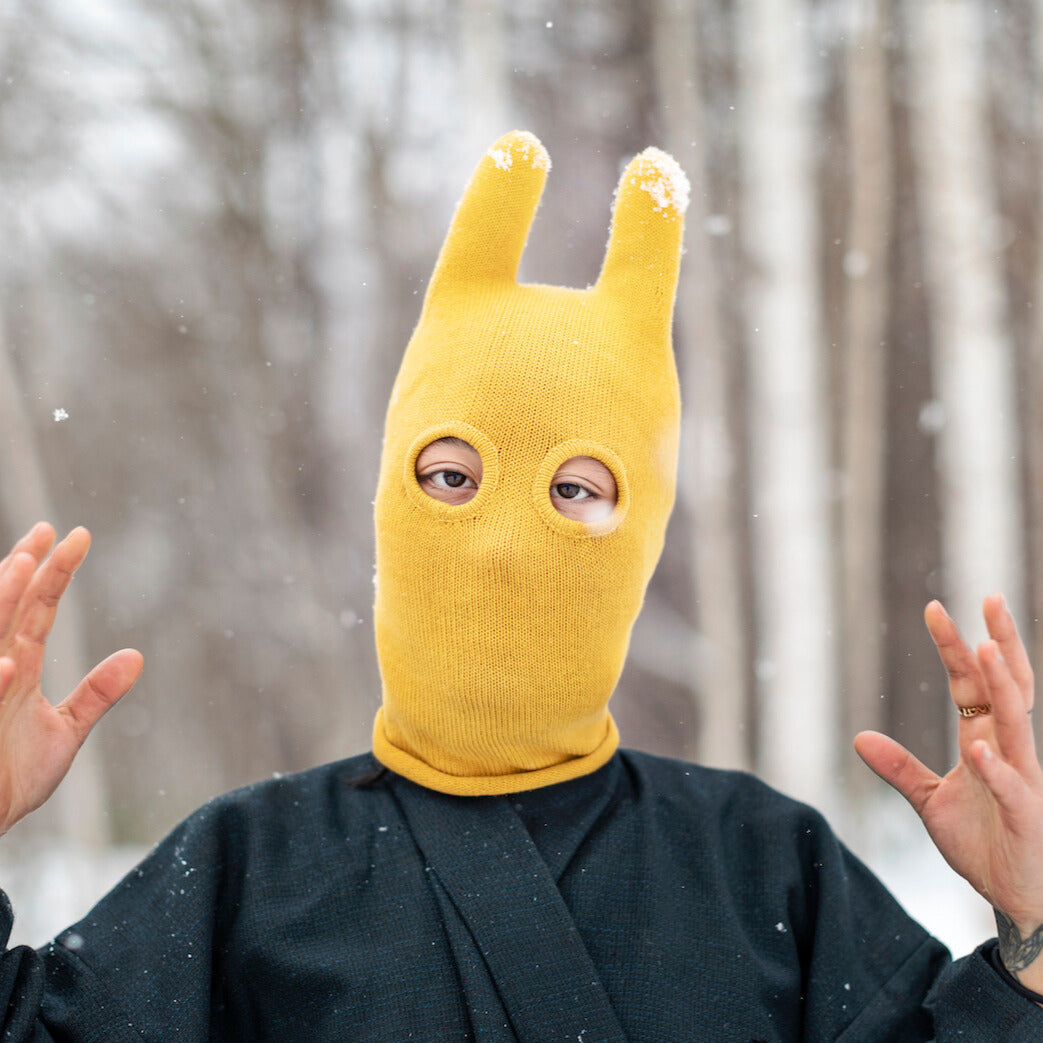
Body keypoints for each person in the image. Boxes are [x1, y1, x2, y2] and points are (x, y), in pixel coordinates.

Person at [0, 130, 1041, 1040]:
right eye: (452, 477)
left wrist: (1030, 938)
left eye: (573, 489)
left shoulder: (763, 861)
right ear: (388, 500)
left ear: (643, 532)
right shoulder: (246, 869)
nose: (501, 543)